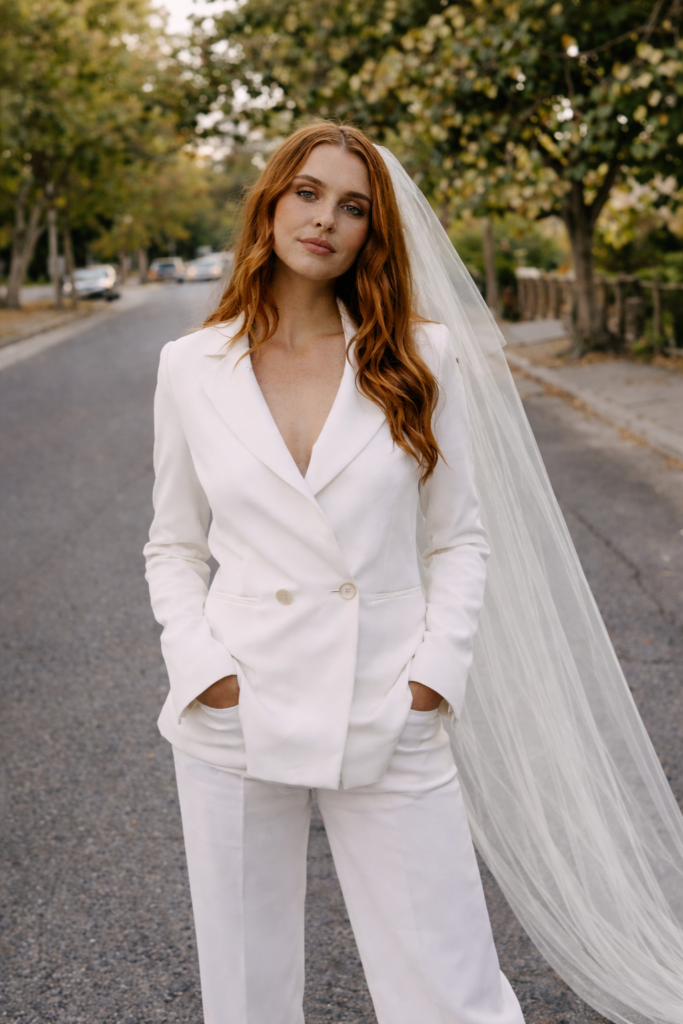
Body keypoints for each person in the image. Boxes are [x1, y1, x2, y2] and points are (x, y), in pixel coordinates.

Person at [144, 121, 526, 1024]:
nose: (325, 220)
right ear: (270, 204)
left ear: (372, 233)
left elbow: (459, 539)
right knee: (245, 995)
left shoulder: (420, 357)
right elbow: (171, 542)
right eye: (307, 193)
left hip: (386, 696)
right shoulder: (189, 366)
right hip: (235, 706)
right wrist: (205, 670)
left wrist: (431, 680)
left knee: (448, 986)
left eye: (352, 207)